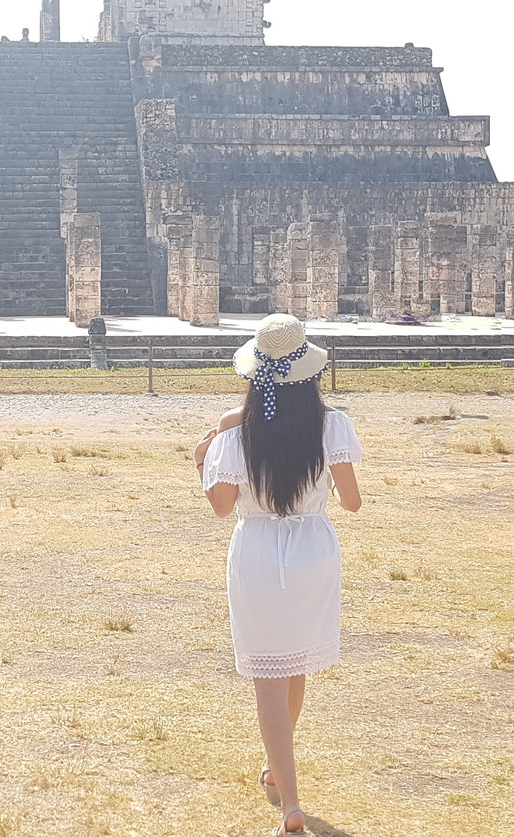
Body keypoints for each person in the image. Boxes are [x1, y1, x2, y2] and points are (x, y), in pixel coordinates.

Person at [192, 313, 363, 835]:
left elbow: (222, 506)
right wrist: (318, 489)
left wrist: (203, 461)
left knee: (268, 679)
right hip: (313, 549)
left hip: (259, 551)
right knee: (295, 664)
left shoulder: (236, 432)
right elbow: (352, 501)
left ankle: (291, 803)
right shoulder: (331, 425)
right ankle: (277, 765)